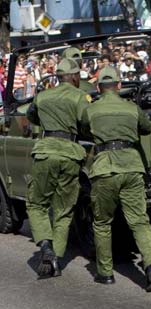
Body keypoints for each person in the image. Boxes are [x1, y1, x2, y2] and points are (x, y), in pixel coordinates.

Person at [80, 67, 151, 292]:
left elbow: (84, 130)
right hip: (132, 166)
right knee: (139, 221)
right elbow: (147, 128)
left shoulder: (92, 109)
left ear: (98, 88)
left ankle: (105, 273)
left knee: (102, 222)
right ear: (119, 85)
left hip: (104, 168)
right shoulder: (131, 108)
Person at [25, 59, 91, 278]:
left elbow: (31, 115)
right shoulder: (80, 97)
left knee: (36, 204)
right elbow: (87, 123)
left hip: (45, 152)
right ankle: (56, 255)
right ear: (73, 77)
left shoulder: (42, 96)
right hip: (71, 154)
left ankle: (45, 247)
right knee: (64, 210)